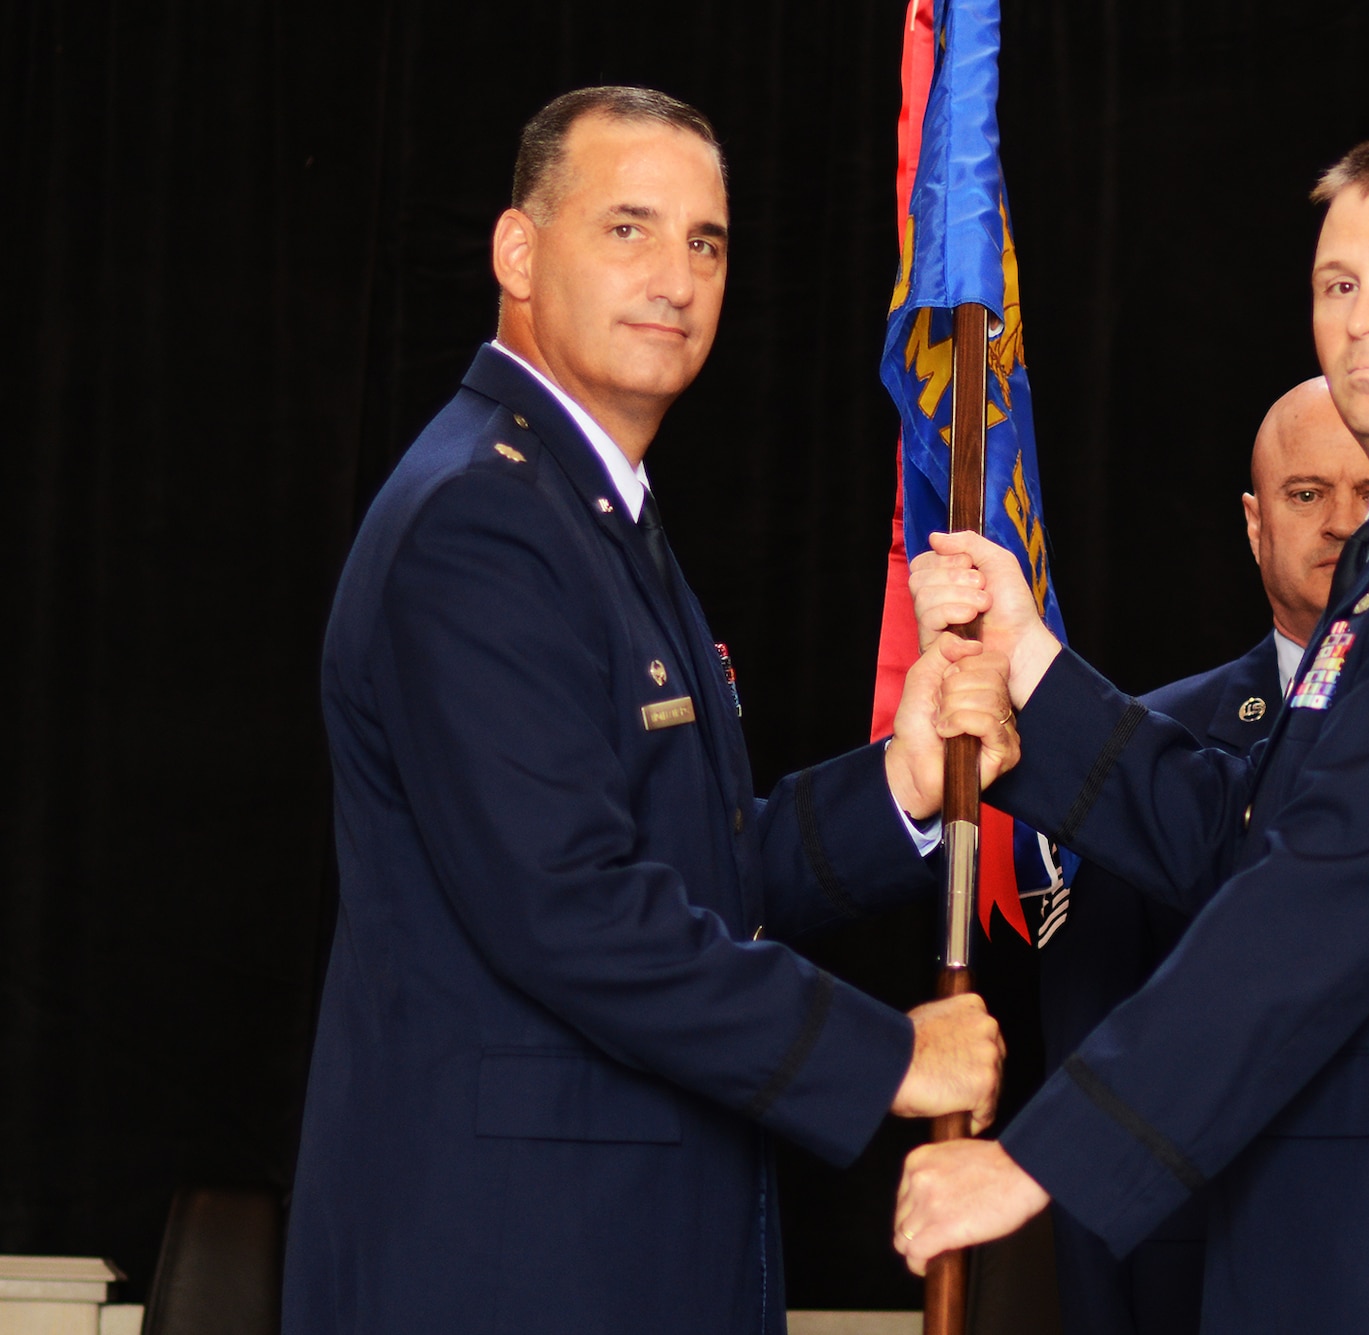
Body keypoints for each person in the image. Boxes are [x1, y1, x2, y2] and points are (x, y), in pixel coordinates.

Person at [898, 133, 1369, 1332]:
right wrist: (1028, 662)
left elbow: (1327, 894)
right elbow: (1248, 835)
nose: (1364, 318)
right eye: (1337, 284)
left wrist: (1039, 1157)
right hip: (1362, 1242)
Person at [285, 87, 1018, 1335]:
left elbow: (699, 867)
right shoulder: (482, 520)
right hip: (512, 1267)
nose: (674, 278)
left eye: (705, 242)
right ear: (518, 253)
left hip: (619, 1250)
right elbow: (572, 909)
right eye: (627, 229)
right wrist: (885, 1059)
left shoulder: (590, 511)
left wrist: (894, 787)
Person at [1037, 377, 1369, 1335]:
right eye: (1307, 494)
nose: (1341, 523)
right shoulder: (1142, 748)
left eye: (1368, 493)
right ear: (1254, 520)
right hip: (1200, 1284)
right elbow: (1086, 1055)